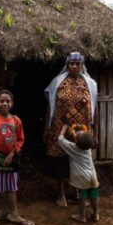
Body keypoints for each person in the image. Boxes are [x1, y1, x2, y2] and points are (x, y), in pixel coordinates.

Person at [44, 52, 97, 207]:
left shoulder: (90, 84)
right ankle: (61, 193)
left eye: (77, 63)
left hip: (82, 129)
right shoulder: (57, 82)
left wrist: (95, 132)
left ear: (82, 66)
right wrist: (46, 127)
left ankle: (78, 193)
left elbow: (95, 108)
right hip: (59, 127)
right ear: (67, 65)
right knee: (60, 160)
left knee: (79, 159)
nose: (74, 66)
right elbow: (50, 106)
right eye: (71, 63)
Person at [0, 89, 35, 225]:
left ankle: (14, 213)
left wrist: (12, 153)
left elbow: (20, 140)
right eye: (2, 101)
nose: (5, 103)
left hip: (12, 161)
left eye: (7, 101)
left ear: (12, 104)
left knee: (12, 188)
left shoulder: (16, 121)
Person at [58, 126, 100, 222]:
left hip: (81, 177)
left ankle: (82, 216)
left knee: (82, 196)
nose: (77, 132)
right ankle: (96, 214)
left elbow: (60, 139)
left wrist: (64, 128)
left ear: (76, 142)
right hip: (92, 176)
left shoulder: (73, 148)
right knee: (94, 194)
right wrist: (75, 134)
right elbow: (83, 139)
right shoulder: (88, 147)